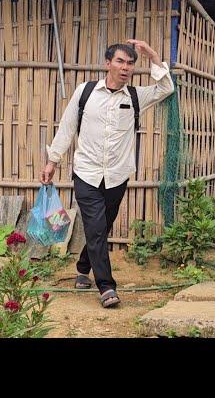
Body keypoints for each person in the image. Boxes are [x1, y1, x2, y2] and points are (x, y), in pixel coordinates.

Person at [40, 40, 175, 308]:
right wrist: (52, 161)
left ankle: (82, 267)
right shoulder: (85, 92)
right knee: (96, 227)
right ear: (108, 63)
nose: (125, 68)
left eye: (130, 63)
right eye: (120, 61)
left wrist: (153, 55)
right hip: (86, 173)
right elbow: (67, 127)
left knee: (102, 226)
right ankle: (106, 287)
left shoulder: (136, 97)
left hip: (117, 176)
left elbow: (166, 87)